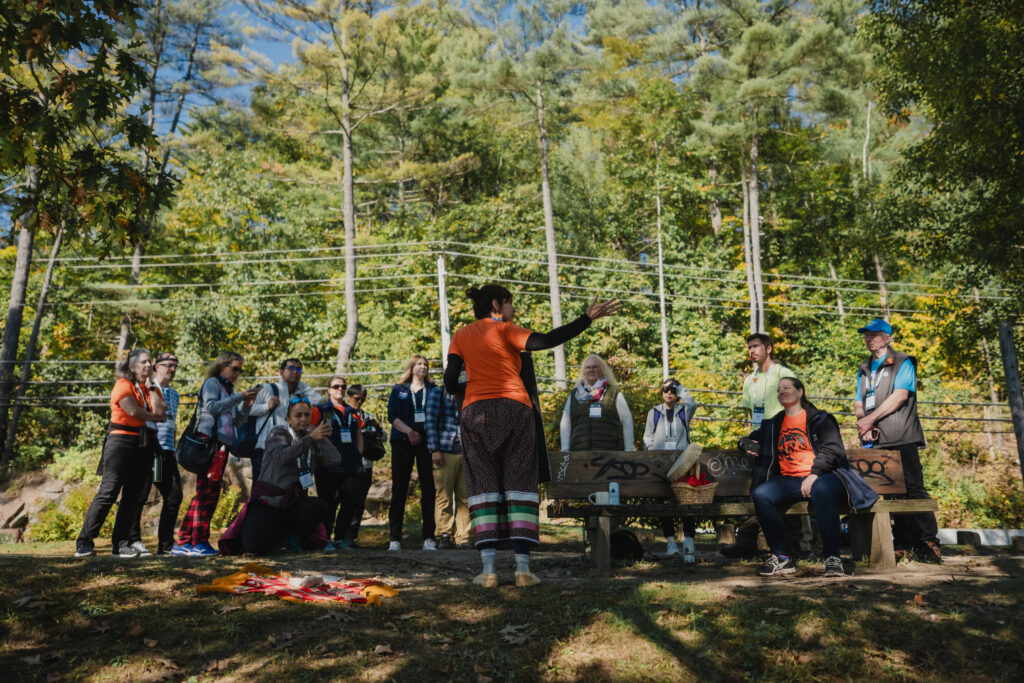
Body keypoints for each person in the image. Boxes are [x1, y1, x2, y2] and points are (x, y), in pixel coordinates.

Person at [444, 284, 619, 587]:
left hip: (475, 414)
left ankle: (488, 571)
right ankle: (523, 569)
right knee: (520, 483)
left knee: (483, 486)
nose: (513, 310)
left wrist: (471, 387)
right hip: (515, 410)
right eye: (510, 304)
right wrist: (586, 318)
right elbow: (547, 340)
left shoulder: (460, 336)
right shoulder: (507, 330)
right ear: (497, 305)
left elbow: (449, 381)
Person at [750, 377, 879, 577]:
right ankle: (782, 557)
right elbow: (753, 437)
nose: (781, 391)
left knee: (821, 488)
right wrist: (744, 444)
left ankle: (832, 558)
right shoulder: (774, 423)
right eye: (779, 389)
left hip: (825, 476)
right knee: (761, 494)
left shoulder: (820, 419)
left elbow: (832, 450)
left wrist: (814, 474)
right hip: (790, 480)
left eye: (787, 388)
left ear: (800, 392)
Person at [854, 318, 941, 563]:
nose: (869, 338)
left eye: (875, 334)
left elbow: (900, 396)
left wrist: (870, 420)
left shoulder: (902, 361)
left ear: (888, 337)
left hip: (902, 434)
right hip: (877, 439)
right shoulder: (863, 367)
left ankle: (928, 541)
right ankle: (901, 542)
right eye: (866, 334)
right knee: (891, 493)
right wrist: (863, 423)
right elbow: (859, 401)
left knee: (913, 488)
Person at [75, 349, 167, 558]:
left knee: (133, 495)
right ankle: (84, 542)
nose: (148, 365)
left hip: (143, 442)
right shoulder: (123, 385)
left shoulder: (150, 388)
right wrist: (154, 416)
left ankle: (121, 544)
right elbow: (132, 410)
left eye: (149, 362)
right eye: (143, 362)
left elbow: (163, 411)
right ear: (132, 366)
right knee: (109, 490)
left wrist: (152, 386)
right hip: (121, 440)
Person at [722, 333, 800, 559]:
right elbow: (751, 414)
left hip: (784, 438)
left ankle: (792, 545)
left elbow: (797, 403)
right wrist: (752, 438)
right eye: (749, 347)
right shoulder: (750, 380)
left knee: (786, 490)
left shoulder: (783, 373)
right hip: (760, 440)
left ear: (769, 348)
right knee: (756, 488)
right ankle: (747, 541)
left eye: (756, 346)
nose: (752, 351)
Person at [172, 352, 258, 556]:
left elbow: (236, 422)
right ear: (222, 364)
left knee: (208, 493)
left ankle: (186, 540)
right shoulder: (212, 383)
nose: (237, 373)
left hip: (220, 448)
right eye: (234, 368)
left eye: (240, 370)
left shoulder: (228, 390)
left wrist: (245, 406)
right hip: (208, 446)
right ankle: (196, 541)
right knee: (206, 494)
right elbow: (210, 407)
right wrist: (239, 397)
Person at [238, 398, 341, 554]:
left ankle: (292, 535)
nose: (303, 419)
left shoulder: (310, 437)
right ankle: (276, 535)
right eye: (298, 415)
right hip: (270, 501)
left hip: (294, 502)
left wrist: (321, 439)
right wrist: (310, 438)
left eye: (307, 415)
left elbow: (335, 459)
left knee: (318, 505)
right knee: (254, 548)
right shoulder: (278, 432)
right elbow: (283, 456)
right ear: (288, 418)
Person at [127, 352, 183, 555]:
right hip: (148, 448)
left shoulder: (175, 394)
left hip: (167, 452)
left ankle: (166, 545)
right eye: (167, 365)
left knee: (174, 496)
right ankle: (133, 540)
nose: (172, 369)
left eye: (175, 365)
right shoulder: (147, 389)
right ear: (156, 366)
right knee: (140, 495)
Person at [643, 377, 699, 562]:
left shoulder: (684, 410)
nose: (669, 392)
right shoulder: (654, 412)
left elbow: (692, 402)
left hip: (682, 461)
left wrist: (680, 387)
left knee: (687, 500)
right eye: (665, 389)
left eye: (672, 390)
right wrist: (653, 454)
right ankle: (670, 541)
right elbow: (647, 436)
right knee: (665, 502)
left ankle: (689, 540)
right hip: (661, 462)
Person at [386, 355, 437, 551]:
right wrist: (409, 432)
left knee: (428, 489)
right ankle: (395, 538)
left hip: (426, 443)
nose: (423, 367)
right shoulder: (399, 389)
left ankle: (429, 537)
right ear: (411, 367)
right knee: (399, 489)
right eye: (419, 364)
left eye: (425, 364)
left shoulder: (433, 389)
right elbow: (392, 415)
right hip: (402, 442)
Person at [311, 376, 364, 551]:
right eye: (336, 386)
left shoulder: (353, 411)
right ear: (329, 390)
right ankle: (324, 539)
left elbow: (359, 435)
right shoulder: (320, 410)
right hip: (327, 465)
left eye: (343, 386)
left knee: (349, 503)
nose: (340, 389)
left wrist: (358, 456)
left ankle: (340, 538)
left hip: (350, 465)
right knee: (327, 504)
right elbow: (311, 431)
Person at [249, 358, 322, 481]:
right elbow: (244, 409)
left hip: (290, 449)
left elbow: (319, 400)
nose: (295, 372)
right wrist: (267, 406)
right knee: (262, 490)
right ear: (281, 372)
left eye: (299, 369)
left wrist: (298, 384)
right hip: (265, 449)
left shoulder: (300, 395)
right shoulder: (268, 388)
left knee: (287, 489)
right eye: (291, 368)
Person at [425, 382, 471, 549]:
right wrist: (434, 449)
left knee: (465, 497)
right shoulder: (439, 392)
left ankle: (463, 537)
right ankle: (444, 534)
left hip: (467, 451)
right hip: (444, 450)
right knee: (443, 496)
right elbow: (430, 422)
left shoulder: (469, 390)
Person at [559, 355, 634, 452]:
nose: (591, 370)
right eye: (588, 367)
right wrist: (565, 450)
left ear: (603, 370)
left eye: (595, 367)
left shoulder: (614, 393)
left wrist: (629, 451)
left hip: (611, 455)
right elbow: (565, 424)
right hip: (579, 455)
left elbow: (627, 422)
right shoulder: (574, 395)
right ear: (583, 371)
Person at [342, 384, 382, 546]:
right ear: (349, 397)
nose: (359, 402)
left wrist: (376, 428)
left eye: (362, 399)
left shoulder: (368, 416)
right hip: (347, 464)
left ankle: (352, 535)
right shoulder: (342, 414)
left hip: (366, 465)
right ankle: (338, 533)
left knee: (359, 501)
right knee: (345, 499)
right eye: (356, 398)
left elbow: (383, 438)